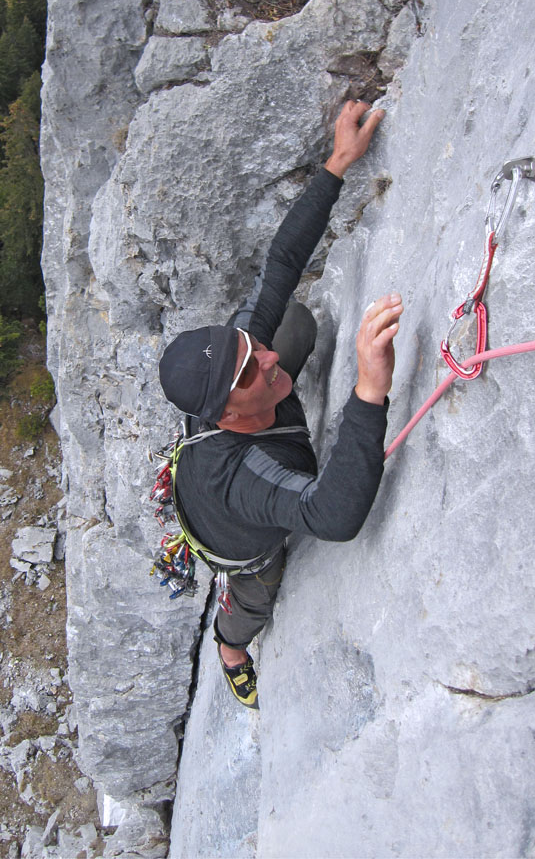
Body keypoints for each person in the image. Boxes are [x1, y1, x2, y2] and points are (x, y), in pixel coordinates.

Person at [158, 100, 403, 708]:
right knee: (256, 593)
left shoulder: (241, 360)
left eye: (247, 348)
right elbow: (332, 517)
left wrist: (337, 164)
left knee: (290, 321)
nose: (263, 358)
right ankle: (230, 647)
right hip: (240, 540)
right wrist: (370, 390)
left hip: (251, 441)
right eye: (249, 369)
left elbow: (282, 263)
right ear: (226, 415)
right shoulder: (245, 479)